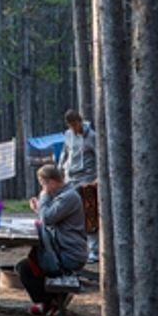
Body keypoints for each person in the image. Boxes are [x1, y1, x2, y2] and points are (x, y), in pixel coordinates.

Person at [16, 164, 87, 316]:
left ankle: (46, 302)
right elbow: (48, 216)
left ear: (52, 182)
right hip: (59, 249)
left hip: (68, 254)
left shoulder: (69, 197)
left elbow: (47, 218)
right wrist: (40, 208)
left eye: (42, 183)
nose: (42, 187)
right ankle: (50, 301)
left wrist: (43, 197)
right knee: (28, 264)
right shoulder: (62, 195)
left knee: (25, 268)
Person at [57, 109, 99, 262]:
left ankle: (94, 250)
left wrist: (98, 179)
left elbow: (99, 157)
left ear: (80, 121)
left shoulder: (92, 136)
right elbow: (64, 153)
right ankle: (72, 247)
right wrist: (60, 169)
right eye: (70, 126)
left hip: (87, 178)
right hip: (70, 178)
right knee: (70, 213)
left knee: (89, 214)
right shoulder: (68, 135)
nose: (73, 128)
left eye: (75, 124)